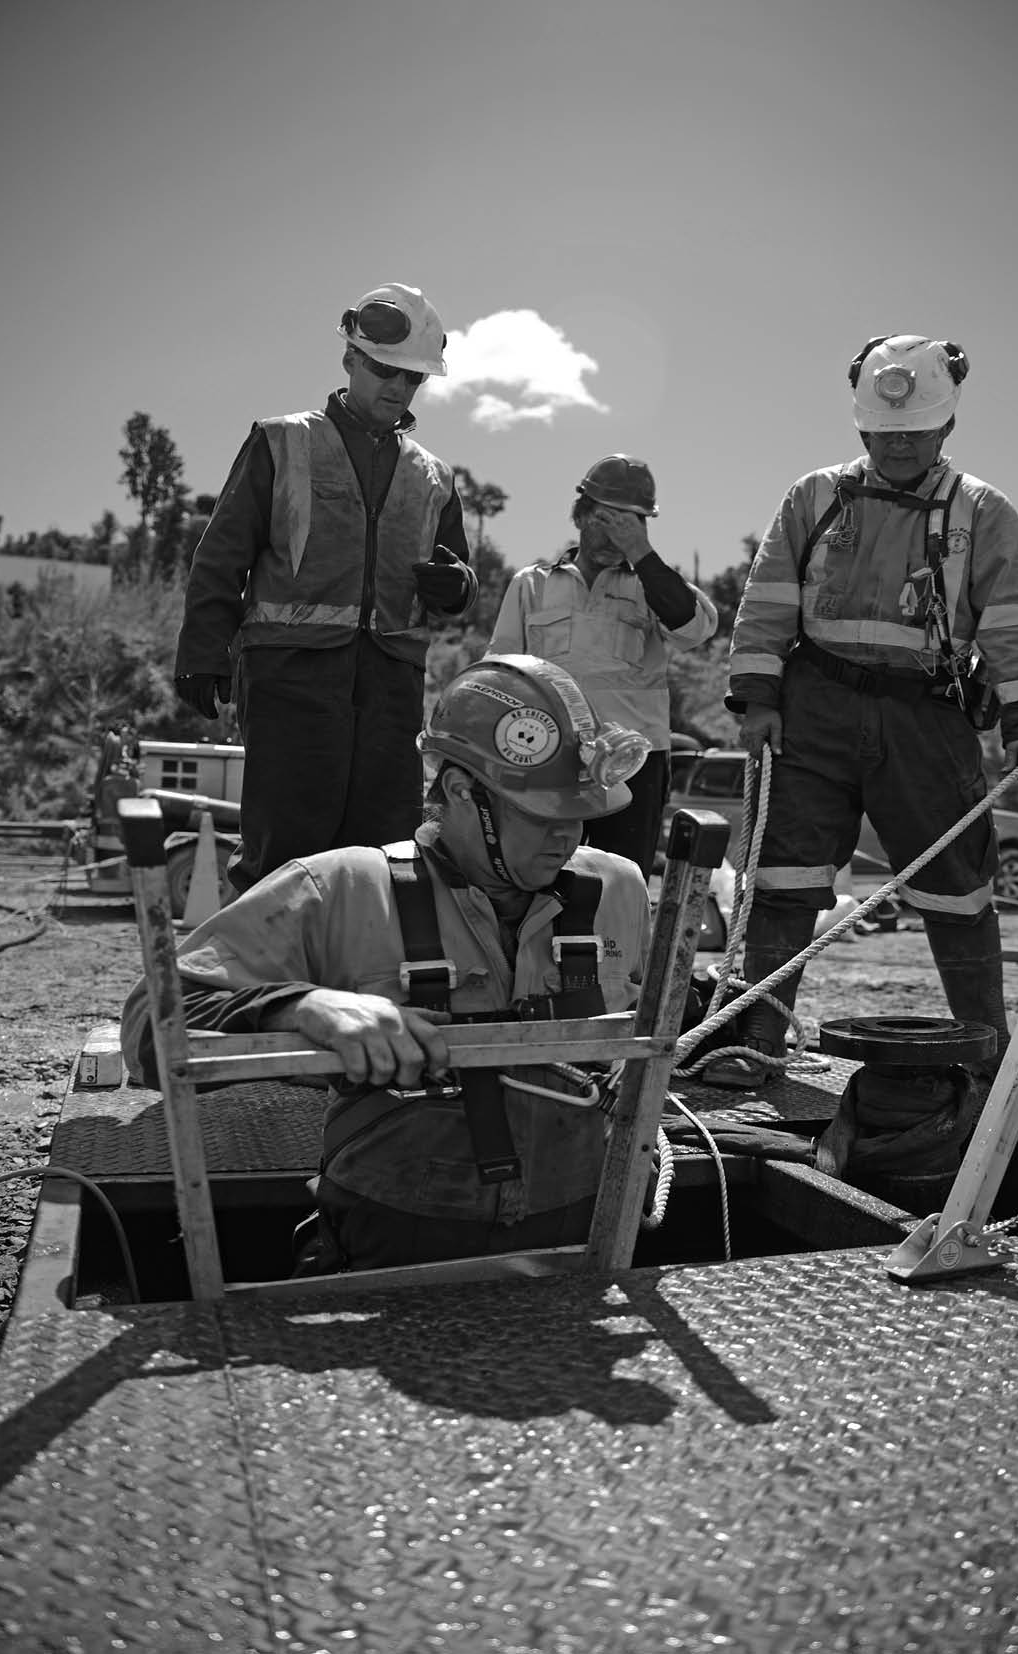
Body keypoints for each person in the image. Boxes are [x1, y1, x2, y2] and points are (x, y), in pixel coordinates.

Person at [121, 655, 654, 1272]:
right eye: (541, 814)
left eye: (578, 811)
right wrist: (303, 1007)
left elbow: (653, 1018)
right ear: (459, 791)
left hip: (578, 1244)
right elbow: (150, 1028)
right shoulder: (340, 888)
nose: (567, 835)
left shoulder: (618, 890)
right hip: (389, 1247)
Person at [702, 334, 1018, 1093]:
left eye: (915, 431)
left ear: (947, 427)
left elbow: (1016, 623)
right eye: (884, 431)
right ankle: (758, 1042)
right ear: (860, 426)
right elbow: (765, 601)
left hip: (925, 717)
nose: (898, 444)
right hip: (812, 711)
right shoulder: (812, 497)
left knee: (956, 888)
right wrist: (757, 699)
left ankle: (988, 1055)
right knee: (783, 879)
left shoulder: (980, 512)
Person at [173, 283, 477, 894]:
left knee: (381, 849)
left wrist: (456, 587)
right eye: (384, 370)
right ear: (349, 359)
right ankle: (266, 983)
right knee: (285, 842)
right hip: (291, 675)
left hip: (391, 683)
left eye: (412, 379)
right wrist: (203, 650)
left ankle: (358, 983)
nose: (397, 387)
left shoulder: (434, 476)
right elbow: (222, 556)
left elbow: (461, 583)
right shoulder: (283, 440)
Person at [486, 456, 718, 877]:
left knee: (621, 877)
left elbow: (695, 629)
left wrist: (642, 554)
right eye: (606, 519)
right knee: (539, 876)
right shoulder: (532, 584)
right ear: (580, 515)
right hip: (549, 756)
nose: (616, 534)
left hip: (634, 765)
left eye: (631, 523)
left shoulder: (652, 584)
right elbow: (501, 672)